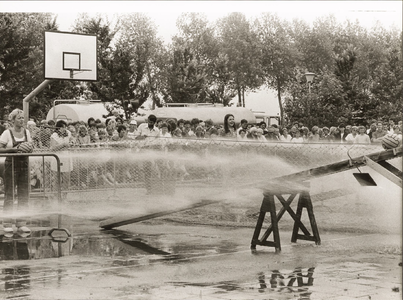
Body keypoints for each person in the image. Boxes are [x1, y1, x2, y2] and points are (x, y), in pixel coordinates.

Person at [0, 109, 33, 236]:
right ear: (12, 120)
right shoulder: (7, 133)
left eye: (23, 118)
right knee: (10, 195)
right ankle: (7, 223)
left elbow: (30, 146)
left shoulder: (27, 132)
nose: (22, 120)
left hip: (24, 165)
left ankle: (21, 222)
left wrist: (30, 148)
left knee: (24, 194)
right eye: (19, 118)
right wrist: (13, 149)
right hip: (11, 165)